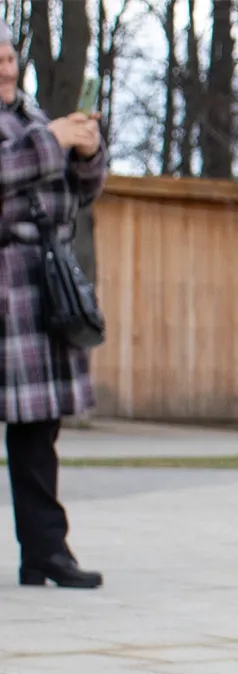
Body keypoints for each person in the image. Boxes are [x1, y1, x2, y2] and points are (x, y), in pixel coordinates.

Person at [0, 21, 107, 589]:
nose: (5, 66)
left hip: (37, 285)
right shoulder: (43, 131)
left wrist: (87, 153)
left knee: (37, 429)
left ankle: (44, 551)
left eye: (10, 55)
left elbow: (79, 192)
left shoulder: (38, 118)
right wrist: (55, 143)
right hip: (4, 280)